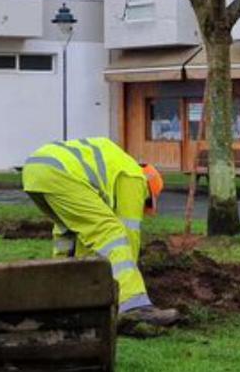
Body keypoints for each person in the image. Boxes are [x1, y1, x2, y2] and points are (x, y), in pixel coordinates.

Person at [22, 137, 180, 331]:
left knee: (71, 231)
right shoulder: (135, 177)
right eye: (145, 204)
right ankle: (135, 306)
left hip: (35, 171)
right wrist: (131, 273)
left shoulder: (115, 165)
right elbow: (127, 235)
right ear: (149, 191)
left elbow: (75, 237)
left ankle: (64, 297)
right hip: (60, 172)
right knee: (111, 232)